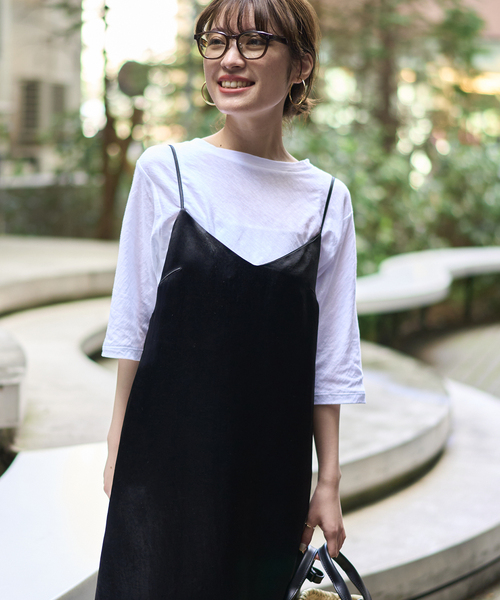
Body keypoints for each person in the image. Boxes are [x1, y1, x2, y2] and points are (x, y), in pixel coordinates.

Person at [94, 0, 365, 598]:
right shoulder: (166, 171)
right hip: (165, 457)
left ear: (301, 65)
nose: (230, 60)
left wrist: (329, 480)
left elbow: (331, 355)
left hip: (272, 469)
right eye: (216, 42)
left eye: (254, 42)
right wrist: (118, 442)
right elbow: (133, 321)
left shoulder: (327, 201)